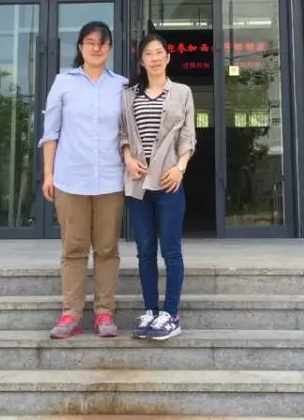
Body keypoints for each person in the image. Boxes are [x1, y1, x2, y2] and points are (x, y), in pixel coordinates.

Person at [39, 21, 128, 339]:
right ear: (80, 47)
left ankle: (104, 313)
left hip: (110, 180)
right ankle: (71, 314)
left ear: (110, 48)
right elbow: (51, 133)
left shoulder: (122, 86)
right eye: (90, 42)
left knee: (107, 249)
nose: (96, 48)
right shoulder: (63, 82)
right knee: (74, 248)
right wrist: (48, 174)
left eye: (103, 43)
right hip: (71, 179)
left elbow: (127, 133)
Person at [119, 33, 196, 341]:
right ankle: (151, 311)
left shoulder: (182, 92)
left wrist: (180, 168)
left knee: (171, 250)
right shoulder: (129, 95)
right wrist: (127, 159)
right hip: (138, 183)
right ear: (141, 60)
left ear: (168, 57)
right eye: (148, 53)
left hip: (169, 181)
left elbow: (188, 136)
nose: (154, 57)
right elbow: (123, 133)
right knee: (145, 250)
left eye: (159, 52)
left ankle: (171, 314)